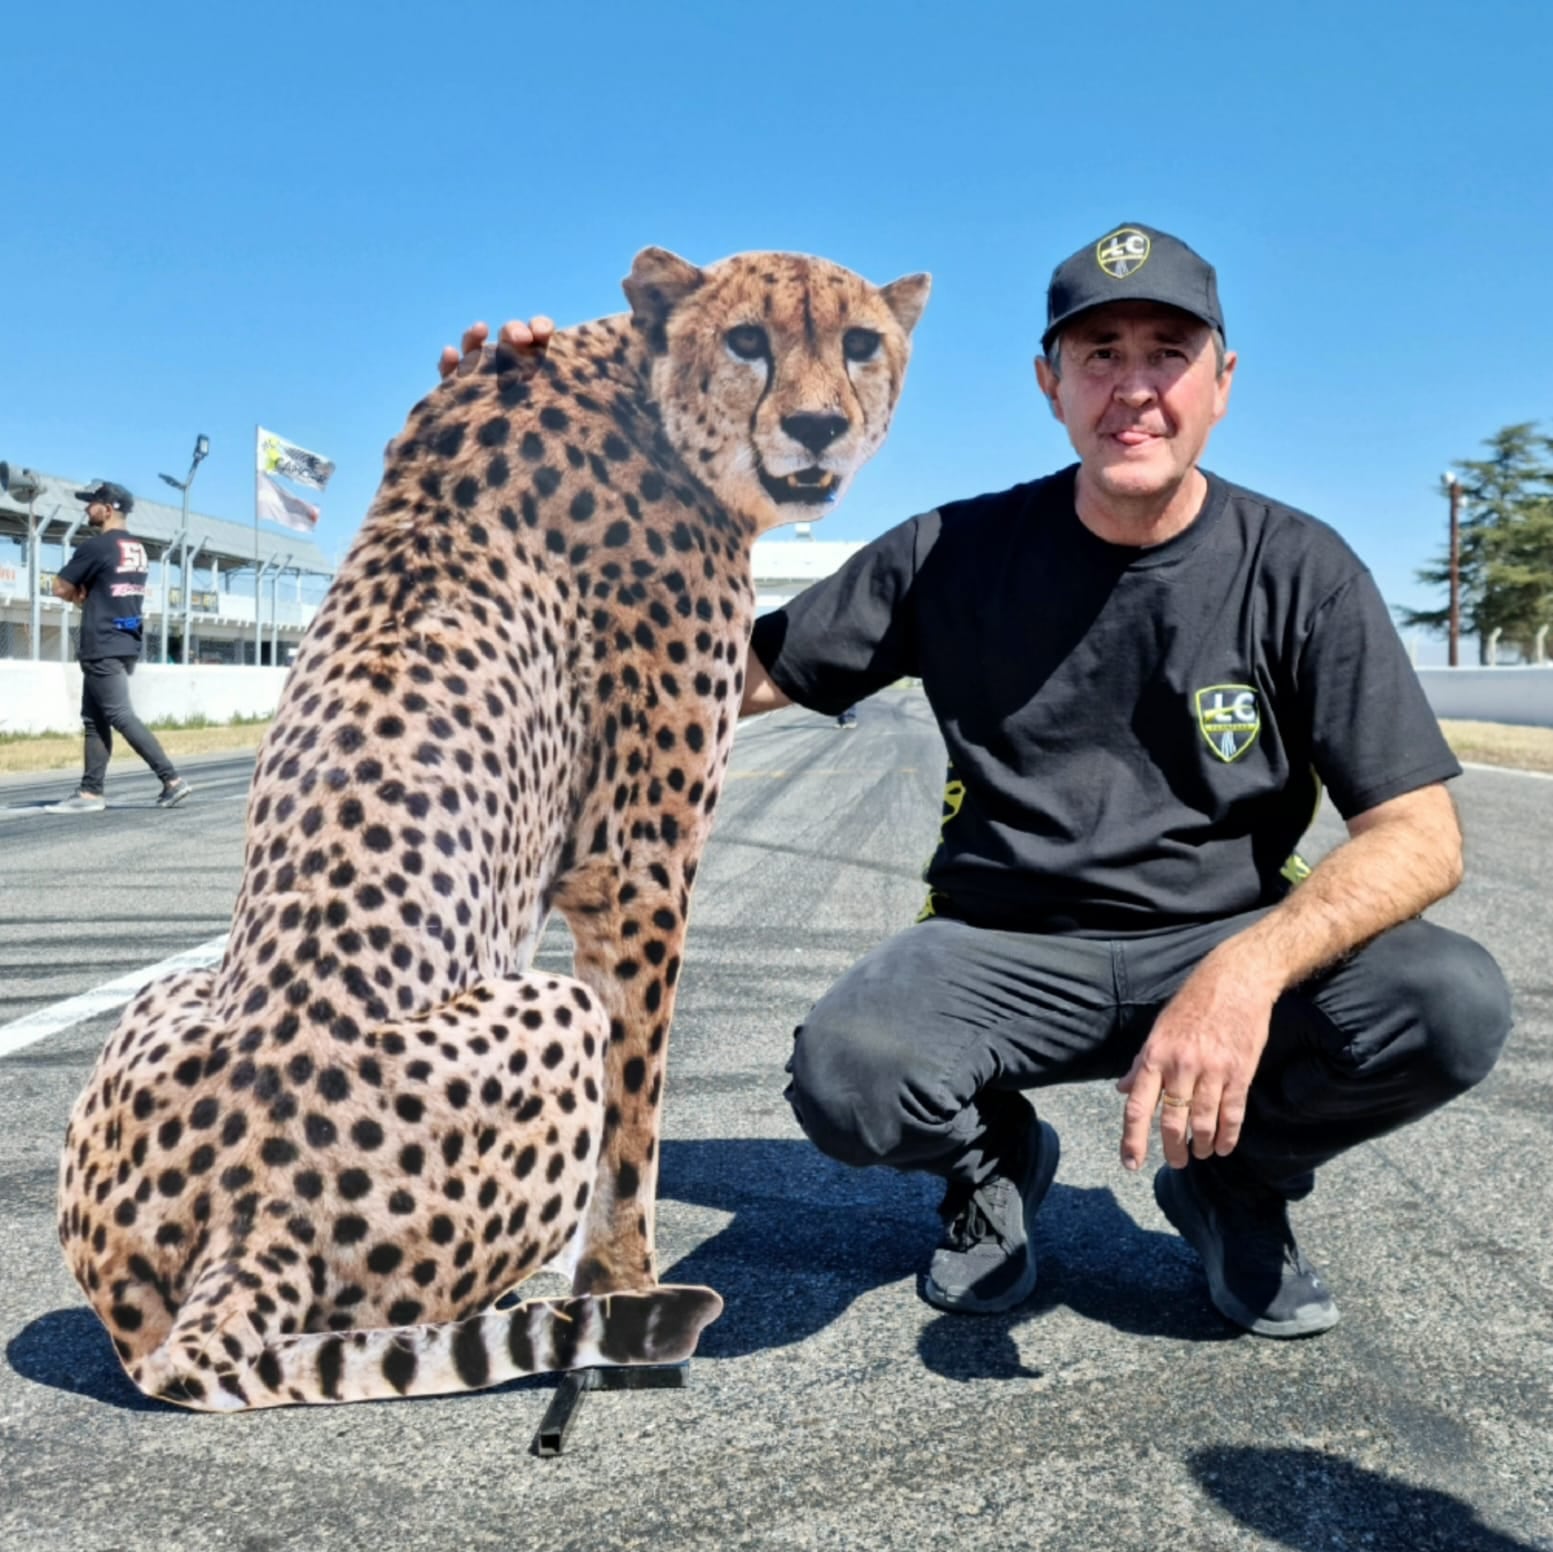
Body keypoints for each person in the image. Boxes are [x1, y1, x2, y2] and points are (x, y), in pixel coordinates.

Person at [441, 224, 1511, 1338]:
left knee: (1447, 1002)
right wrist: (529, 464)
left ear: (1220, 383)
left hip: (1218, 931)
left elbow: (1418, 833)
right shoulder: (951, 549)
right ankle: (993, 1161)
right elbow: (712, 675)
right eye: (1097, 355)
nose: (1132, 389)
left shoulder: (1297, 566)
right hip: (1002, 946)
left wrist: (1249, 969)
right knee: (848, 1074)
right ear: (1048, 383)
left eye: (1166, 353)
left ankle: (1236, 1183)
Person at [48, 479, 191, 812]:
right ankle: (90, 792)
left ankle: (172, 779)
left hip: (102, 640)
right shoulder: (138, 549)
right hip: (126, 639)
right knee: (95, 718)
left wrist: (75, 593)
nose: (87, 508)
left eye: (92, 503)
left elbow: (58, 586)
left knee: (118, 714)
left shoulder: (97, 547)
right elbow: (109, 588)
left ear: (108, 509)